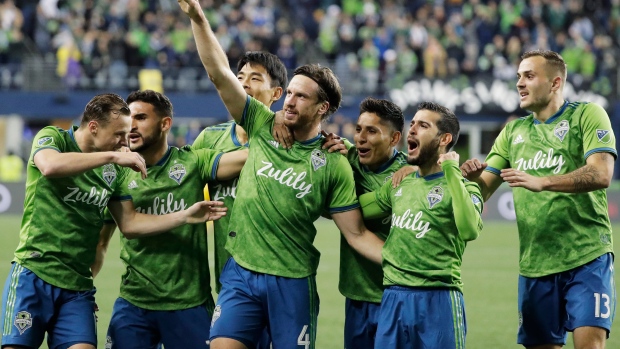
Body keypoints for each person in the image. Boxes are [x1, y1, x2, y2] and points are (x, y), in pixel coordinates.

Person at [179, 1, 385, 348]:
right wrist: (198, 18)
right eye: (289, 93)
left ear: (324, 109)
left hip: (292, 283)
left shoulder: (333, 161)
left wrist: (405, 261)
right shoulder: (261, 123)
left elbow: (356, 233)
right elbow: (219, 74)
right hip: (240, 274)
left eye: (301, 97)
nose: (289, 102)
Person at [0, 93, 226, 349]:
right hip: (33, 273)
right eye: (119, 133)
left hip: (76, 286)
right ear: (94, 127)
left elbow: (129, 224)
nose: (124, 140)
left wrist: (184, 216)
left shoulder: (115, 172)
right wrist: (113, 157)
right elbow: (49, 166)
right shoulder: (54, 138)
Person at [460, 49, 616, 349]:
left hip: (587, 257)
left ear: (555, 83)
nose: (520, 83)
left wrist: (543, 181)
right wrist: (468, 178)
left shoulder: (587, 114)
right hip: (535, 265)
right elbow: (483, 189)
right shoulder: (513, 132)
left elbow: (601, 173)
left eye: (529, 76)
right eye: (518, 76)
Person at [95, 90, 248, 349]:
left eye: (141, 117)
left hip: (190, 306)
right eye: (128, 118)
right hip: (134, 305)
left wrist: (304, 135)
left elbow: (248, 157)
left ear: (165, 123)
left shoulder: (193, 163)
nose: (131, 125)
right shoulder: (116, 174)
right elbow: (101, 243)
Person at [359, 101, 483, 348]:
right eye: (412, 123)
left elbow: (469, 230)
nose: (412, 130)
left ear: (444, 138)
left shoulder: (465, 187)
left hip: (439, 298)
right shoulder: (400, 184)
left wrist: (451, 170)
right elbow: (353, 209)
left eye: (423, 125)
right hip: (393, 297)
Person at [192, 51, 287, 295]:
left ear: (276, 94)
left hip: (280, 276)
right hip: (229, 278)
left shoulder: (291, 143)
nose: (243, 83)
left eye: (255, 78)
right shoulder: (210, 139)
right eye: (240, 76)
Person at [337, 97, 409, 348]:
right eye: (358, 129)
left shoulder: (411, 173)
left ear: (394, 138)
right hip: (356, 293)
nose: (361, 137)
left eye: (372, 131)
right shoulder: (345, 159)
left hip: (397, 293)